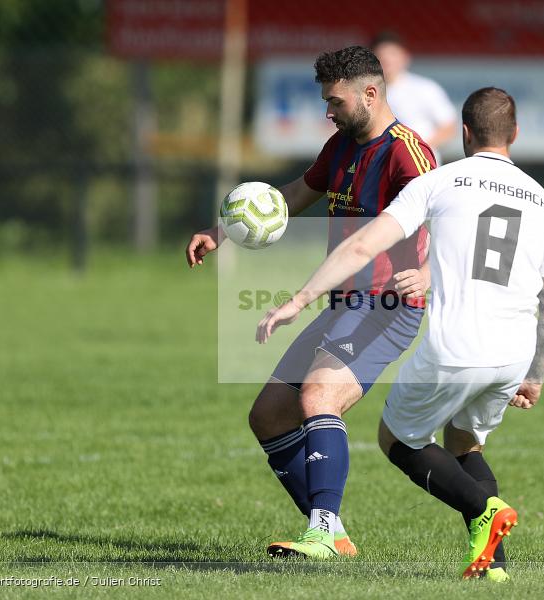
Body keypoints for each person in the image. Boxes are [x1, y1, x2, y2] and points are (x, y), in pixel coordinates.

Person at [258, 87, 544, 580]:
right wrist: (536, 372)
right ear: (515, 134)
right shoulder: (543, 200)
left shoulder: (442, 180)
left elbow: (362, 247)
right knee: (465, 442)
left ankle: (486, 510)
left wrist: (298, 299)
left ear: (464, 134)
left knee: (397, 440)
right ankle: (494, 566)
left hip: (456, 345)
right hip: (513, 352)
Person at [186, 46, 436, 559]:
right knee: (270, 416)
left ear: (370, 93)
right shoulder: (341, 145)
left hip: (386, 308)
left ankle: (321, 531)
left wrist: (429, 274)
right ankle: (335, 534)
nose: (328, 110)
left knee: (318, 397)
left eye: (336, 101)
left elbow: (448, 221)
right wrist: (222, 232)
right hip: (345, 305)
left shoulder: (408, 153)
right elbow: (300, 191)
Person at [372, 31, 457, 158]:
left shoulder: (425, 88)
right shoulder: (367, 93)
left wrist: (417, 148)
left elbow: (449, 127)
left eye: (392, 54)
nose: (387, 60)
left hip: (421, 164)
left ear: (405, 57)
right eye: (381, 56)